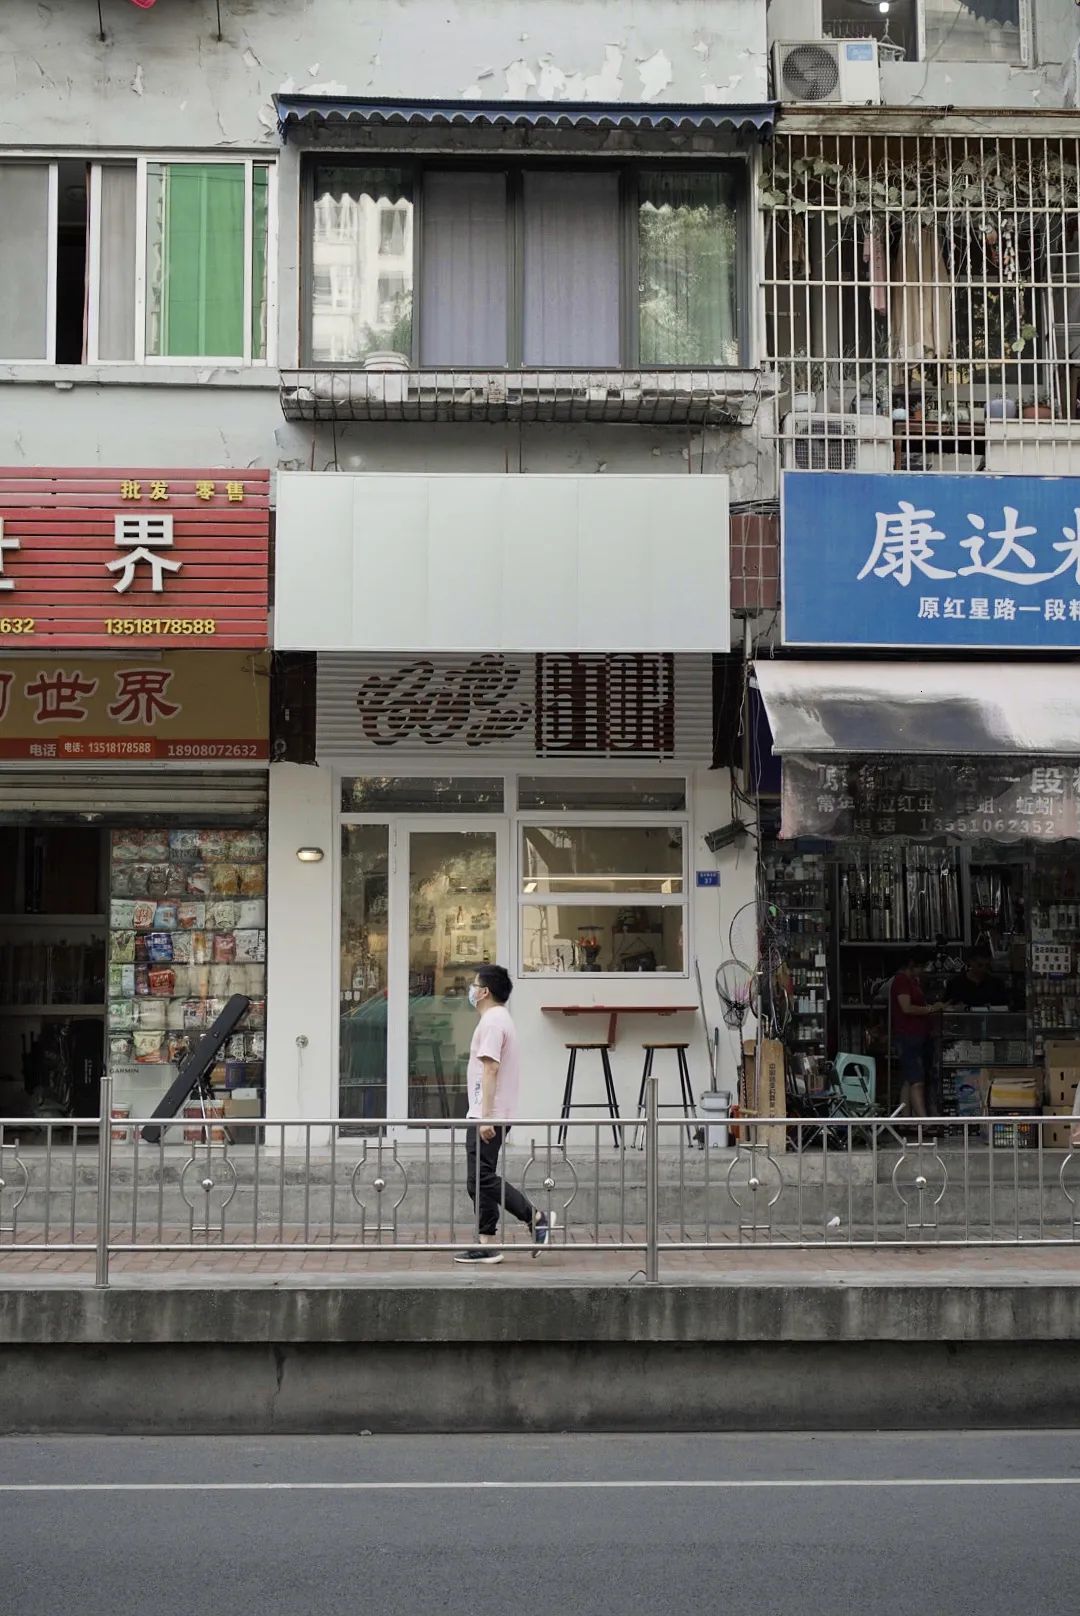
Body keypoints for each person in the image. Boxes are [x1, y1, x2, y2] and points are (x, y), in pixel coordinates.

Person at [454, 963, 554, 1266]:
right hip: (489, 1112)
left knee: (481, 1177)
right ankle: (487, 1243)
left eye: (474, 985)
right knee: (477, 1179)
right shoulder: (498, 1019)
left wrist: (486, 1117)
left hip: (489, 1114)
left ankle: (534, 1217)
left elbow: (491, 1068)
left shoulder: (494, 1022)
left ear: (484, 991)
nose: (471, 990)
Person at [889, 946, 945, 1123]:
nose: (924, 970)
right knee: (917, 1080)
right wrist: (930, 1009)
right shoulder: (901, 981)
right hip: (908, 1035)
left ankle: (906, 1120)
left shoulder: (913, 981)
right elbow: (906, 1007)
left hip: (918, 1035)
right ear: (913, 964)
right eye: (922, 966)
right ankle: (923, 1120)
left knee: (909, 1079)